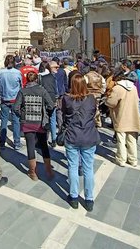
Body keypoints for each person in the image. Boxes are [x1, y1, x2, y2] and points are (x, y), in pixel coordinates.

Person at [57, 74, 100, 211]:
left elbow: (62, 115)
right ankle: (89, 199)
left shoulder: (66, 99)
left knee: (73, 167)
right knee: (88, 168)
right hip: (88, 135)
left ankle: (74, 196)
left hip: (72, 135)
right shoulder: (91, 99)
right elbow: (93, 114)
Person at [14, 71, 55, 181]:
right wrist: (47, 115)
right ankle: (49, 170)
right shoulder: (42, 90)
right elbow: (51, 105)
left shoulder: (22, 91)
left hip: (27, 122)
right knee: (44, 146)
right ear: (37, 79)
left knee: (30, 146)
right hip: (40, 123)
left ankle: (33, 173)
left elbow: (15, 108)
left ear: (27, 79)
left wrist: (21, 115)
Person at [106, 68, 140, 167]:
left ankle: (121, 159)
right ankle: (133, 160)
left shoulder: (118, 88)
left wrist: (106, 100)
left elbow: (111, 103)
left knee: (121, 139)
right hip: (133, 116)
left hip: (121, 116)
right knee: (132, 139)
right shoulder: (133, 88)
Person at [0, 55, 23, 150]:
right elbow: (21, 85)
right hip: (15, 99)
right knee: (16, 121)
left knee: (3, 121)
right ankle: (17, 142)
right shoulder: (17, 73)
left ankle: (2, 142)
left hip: (4, 98)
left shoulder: (1, 72)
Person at [39, 62, 59, 146]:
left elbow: (40, 89)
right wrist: (56, 98)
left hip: (44, 99)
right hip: (52, 98)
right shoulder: (53, 77)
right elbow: (56, 89)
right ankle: (54, 139)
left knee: (43, 120)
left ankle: (43, 139)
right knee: (53, 119)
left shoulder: (40, 77)